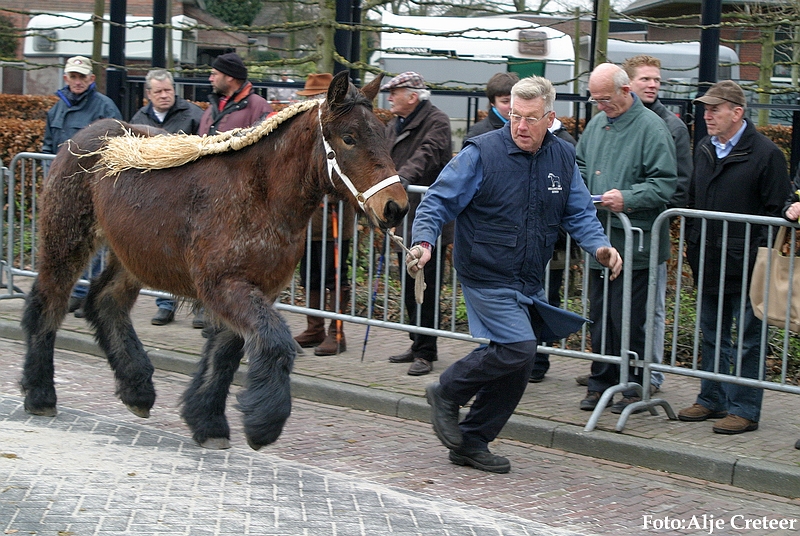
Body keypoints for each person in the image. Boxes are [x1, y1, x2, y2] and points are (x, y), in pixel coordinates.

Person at [408, 75, 622, 473]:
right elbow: (436, 200)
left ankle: (472, 441)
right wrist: (424, 242)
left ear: (550, 118)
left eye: (530, 118)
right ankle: (447, 390)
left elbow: (578, 211)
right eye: (513, 116)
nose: (520, 126)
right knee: (518, 347)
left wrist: (600, 246)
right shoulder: (481, 153)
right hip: (484, 271)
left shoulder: (562, 157)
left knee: (519, 361)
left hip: (526, 277)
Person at [680, 80, 792, 434]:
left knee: (748, 338)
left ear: (737, 112)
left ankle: (744, 407)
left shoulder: (766, 154)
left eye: (715, 109)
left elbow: (777, 210)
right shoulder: (704, 148)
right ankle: (711, 397)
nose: (708, 115)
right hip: (710, 258)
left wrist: (763, 254)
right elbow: (695, 201)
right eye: (706, 109)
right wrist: (694, 243)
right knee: (711, 331)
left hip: (749, 263)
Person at [576, 63, 677, 414]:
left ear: (625, 91)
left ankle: (633, 385)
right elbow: (581, 166)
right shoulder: (596, 124)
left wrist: (628, 198)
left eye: (605, 99)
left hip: (637, 244)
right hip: (601, 240)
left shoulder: (652, 129)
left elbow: (665, 184)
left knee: (630, 319)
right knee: (601, 315)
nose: (601, 105)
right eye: (596, 100)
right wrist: (586, 190)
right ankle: (600, 381)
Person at [194, 52, 273, 331]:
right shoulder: (212, 107)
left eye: (214, 73)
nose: (210, 77)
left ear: (230, 77)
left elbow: (265, 150)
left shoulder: (258, 107)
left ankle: (231, 316)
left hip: (240, 201)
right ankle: (208, 309)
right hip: (208, 198)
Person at [382, 71, 453, 376]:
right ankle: (416, 342)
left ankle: (427, 351)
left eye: (394, 92)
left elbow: (428, 154)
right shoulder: (392, 125)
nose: (389, 97)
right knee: (409, 285)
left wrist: (401, 180)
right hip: (404, 215)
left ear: (412, 95)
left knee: (426, 285)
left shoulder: (437, 121)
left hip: (429, 217)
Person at [42, 55, 122, 318]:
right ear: (66, 78)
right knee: (65, 244)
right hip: (63, 192)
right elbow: (47, 146)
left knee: (93, 243)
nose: (77, 81)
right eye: (73, 77)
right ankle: (72, 294)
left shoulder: (104, 107)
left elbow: (120, 146)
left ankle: (90, 295)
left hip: (93, 189)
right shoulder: (57, 109)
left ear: (91, 79)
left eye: (82, 77)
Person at [130, 69, 204, 326]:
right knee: (164, 251)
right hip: (156, 199)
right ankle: (165, 304)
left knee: (196, 251)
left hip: (189, 196)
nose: (164, 95)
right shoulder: (139, 118)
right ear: (148, 94)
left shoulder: (194, 115)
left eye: (168, 90)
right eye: (158, 91)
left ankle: (200, 306)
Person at [291, 73, 355, 356]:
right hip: (309, 218)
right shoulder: (306, 129)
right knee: (311, 275)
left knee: (335, 276)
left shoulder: (340, 127)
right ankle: (314, 327)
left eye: (316, 98)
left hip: (336, 217)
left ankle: (336, 332)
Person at [462, 72, 518, 145]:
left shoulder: (527, 126)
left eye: (515, 100)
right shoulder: (478, 133)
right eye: (505, 101)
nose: (512, 106)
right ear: (492, 102)